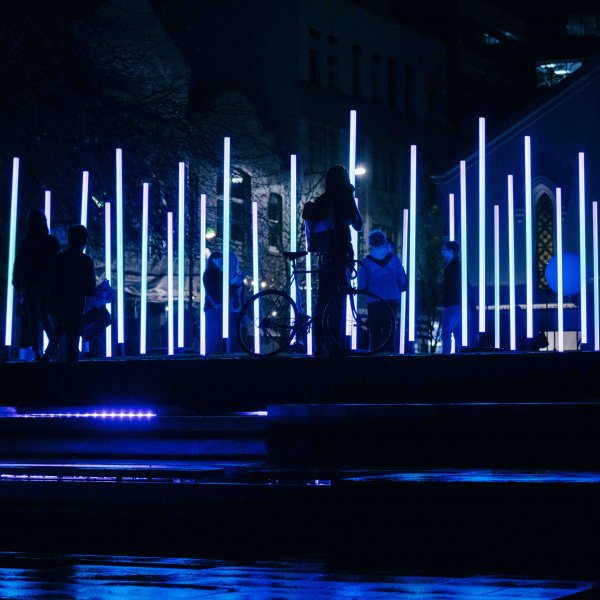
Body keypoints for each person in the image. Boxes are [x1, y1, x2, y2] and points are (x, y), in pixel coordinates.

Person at [302, 164, 363, 355]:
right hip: (341, 253)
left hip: (325, 256)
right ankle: (336, 345)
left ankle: (319, 345)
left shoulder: (322, 199)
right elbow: (358, 224)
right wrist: (351, 196)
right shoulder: (344, 197)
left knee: (323, 299)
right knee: (339, 300)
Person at [41, 224, 96, 364]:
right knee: (72, 339)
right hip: (75, 306)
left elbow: (49, 281)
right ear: (84, 241)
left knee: (62, 326)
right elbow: (90, 290)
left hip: (57, 304)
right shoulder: (86, 262)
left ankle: (48, 355)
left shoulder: (59, 259)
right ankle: (70, 377)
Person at [12, 209, 60, 360]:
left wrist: (17, 285)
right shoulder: (50, 241)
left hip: (30, 284)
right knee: (44, 317)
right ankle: (53, 347)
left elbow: (18, 265)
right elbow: (56, 263)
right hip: (46, 284)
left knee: (35, 318)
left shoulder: (25, 243)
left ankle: (38, 352)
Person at [358, 230, 407, 352]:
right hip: (392, 298)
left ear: (370, 244)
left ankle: (375, 358)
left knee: (375, 331)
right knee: (389, 331)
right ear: (384, 242)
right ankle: (389, 357)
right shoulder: (394, 259)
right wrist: (399, 288)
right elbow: (402, 278)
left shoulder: (366, 263)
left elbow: (362, 284)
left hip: (374, 299)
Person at [203, 250, 245, 355]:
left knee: (227, 338)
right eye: (221, 259)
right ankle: (211, 360)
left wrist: (235, 284)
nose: (223, 261)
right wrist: (232, 284)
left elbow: (232, 294)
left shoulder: (221, 274)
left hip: (226, 309)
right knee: (215, 337)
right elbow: (217, 293)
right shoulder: (210, 274)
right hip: (216, 309)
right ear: (213, 260)